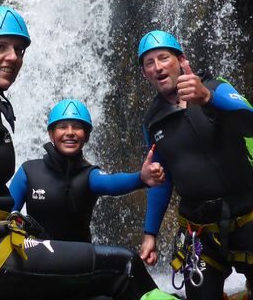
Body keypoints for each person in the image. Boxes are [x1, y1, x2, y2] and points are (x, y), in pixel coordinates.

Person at [0, 6, 176, 300]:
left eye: (19, 49)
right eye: (1, 47)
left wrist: (141, 177)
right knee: (123, 266)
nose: (13, 57)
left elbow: (105, 183)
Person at [137, 30, 253, 300]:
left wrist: (207, 98)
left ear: (181, 59)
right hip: (197, 232)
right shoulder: (152, 121)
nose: (157, 67)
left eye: (163, 58)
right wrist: (150, 233)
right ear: (144, 74)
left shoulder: (216, 87)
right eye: (149, 63)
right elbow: (161, 180)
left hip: (247, 221)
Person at [9, 98, 164, 243]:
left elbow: (110, 182)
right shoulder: (28, 172)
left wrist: (141, 178)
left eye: (77, 127)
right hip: (35, 260)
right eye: (62, 127)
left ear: (87, 136)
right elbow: (4, 216)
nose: (70, 132)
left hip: (78, 263)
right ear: (51, 134)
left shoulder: (89, 175)